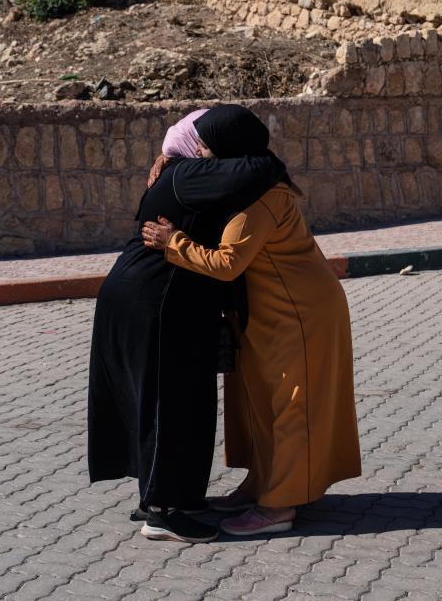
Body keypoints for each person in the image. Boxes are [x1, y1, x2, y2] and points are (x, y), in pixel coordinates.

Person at [141, 104, 361, 537]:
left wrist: (174, 242)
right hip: (270, 311)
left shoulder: (262, 197)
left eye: (206, 145)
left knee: (290, 405)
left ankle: (280, 505)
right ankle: (262, 483)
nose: (200, 152)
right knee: (261, 402)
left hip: (299, 312)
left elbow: (226, 263)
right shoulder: (245, 183)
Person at [87, 108, 284, 544]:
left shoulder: (185, 171)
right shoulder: (188, 173)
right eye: (203, 139)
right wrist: (259, 157)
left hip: (164, 299)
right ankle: (161, 512)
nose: (206, 148)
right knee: (167, 403)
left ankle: (177, 497)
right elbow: (261, 170)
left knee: (187, 401)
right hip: (153, 298)